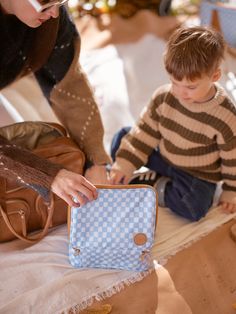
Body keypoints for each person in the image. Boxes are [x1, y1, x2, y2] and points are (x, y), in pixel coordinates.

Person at [109, 26, 236, 221]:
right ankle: (137, 175)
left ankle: (152, 185)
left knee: (194, 207)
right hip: (165, 157)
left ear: (215, 76)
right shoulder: (164, 97)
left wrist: (231, 190)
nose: (180, 92)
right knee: (122, 138)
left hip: (197, 174)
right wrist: (124, 164)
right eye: (175, 82)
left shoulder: (226, 115)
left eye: (191, 87)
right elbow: (145, 131)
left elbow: (232, 159)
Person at [0, 0, 111, 207]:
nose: (54, 13)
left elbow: (69, 88)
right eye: (45, 5)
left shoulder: (53, 18)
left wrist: (96, 160)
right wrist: (49, 175)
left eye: (61, 2)